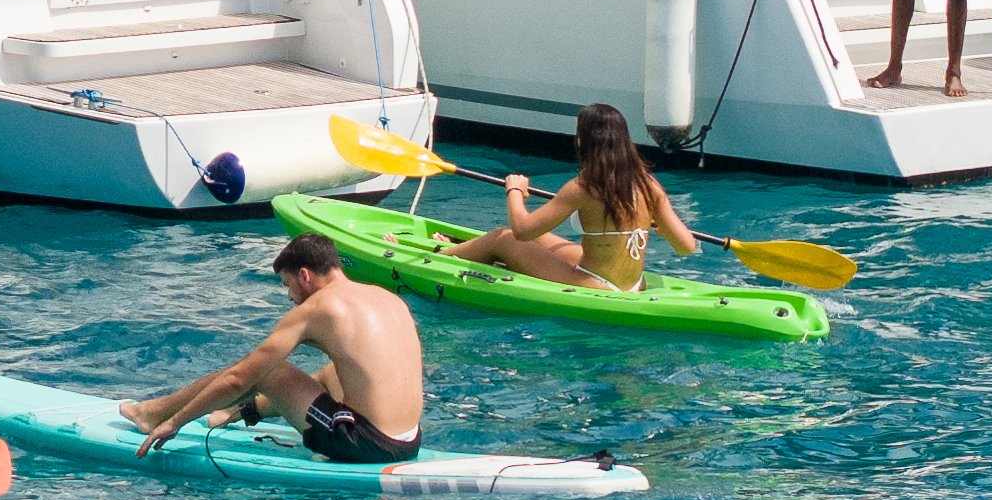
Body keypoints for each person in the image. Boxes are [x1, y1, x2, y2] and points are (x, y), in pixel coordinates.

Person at [122, 229, 425, 467]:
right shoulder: (384, 298)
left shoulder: (319, 308)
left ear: (304, 275)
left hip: (367, 444)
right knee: (331, 373)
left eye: (287, 285)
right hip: (410, 440)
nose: (290, 296)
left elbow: (239, 378)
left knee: (267, 370)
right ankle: (238, 411)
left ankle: (153, 414)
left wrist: (175, 424)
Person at [445, 101, 697, 292]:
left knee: (503, 238)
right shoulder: (649, 185)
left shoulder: (583, 187)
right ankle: (452, 243)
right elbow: (687, 246)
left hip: (596, 284)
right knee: (544, 239)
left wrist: (514, 190)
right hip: (634, 285)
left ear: (583, 141)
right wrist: (663, 229)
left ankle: (438, 257)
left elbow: (522, 230)